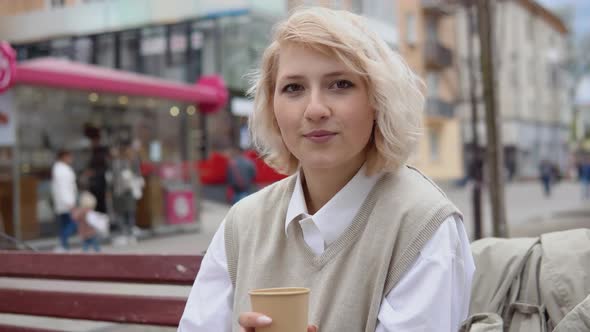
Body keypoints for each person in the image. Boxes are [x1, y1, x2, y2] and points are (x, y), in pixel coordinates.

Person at [178, 7, 474, 332]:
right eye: (293, 88)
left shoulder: (421, 224)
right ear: (272, 108)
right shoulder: (243, 224)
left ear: (378, 99)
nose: (315, 109)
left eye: (340, 84)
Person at [110, 145, 144, 244]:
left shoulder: (131, 162)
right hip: (121, 192)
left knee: (128, 213)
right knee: (123, 214)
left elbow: (137, 175)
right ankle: (126, 233)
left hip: (126, 192)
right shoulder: (118, 163)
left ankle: (129, 233)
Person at [51, 149, 78, 251]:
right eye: (69, 156)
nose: (71, 159)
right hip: (66, 202)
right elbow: (63, 187)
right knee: (73, 222)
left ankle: (64, 244)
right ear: (64, 157)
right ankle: (63, 244)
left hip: (64, 202)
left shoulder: (61, 169)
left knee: (64, 224)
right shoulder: (60, 170)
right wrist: (69, 203)